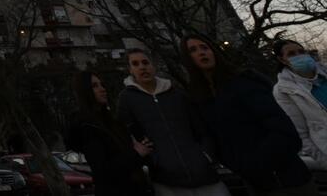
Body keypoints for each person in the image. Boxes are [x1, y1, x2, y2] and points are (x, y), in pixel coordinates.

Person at [182, 33, 314, 196]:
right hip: (256, 183)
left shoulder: (245, 82)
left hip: (288, 179)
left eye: (205, 47)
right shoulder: (201, 99)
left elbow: (283, 128)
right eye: (193, 50)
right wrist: (239, 166)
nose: (202, 52)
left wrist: (260, 162)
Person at [115, 47, 230, 196]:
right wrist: (151, 159)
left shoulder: (177, 94)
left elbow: (201, 128)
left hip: (205, 177)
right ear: (130, 70)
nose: (142, 67)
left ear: (153, 65)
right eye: (135, 64)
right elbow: (125, 132)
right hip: (167, 182)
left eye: (145, 62)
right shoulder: (126, 99)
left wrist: (206, 155)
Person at [67, 70, 152, 196]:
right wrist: (136, 153)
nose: (102, 89)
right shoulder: (87, 128)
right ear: (85, 92)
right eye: (95, 86)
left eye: (101, 85)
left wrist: (142, 150)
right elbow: (104, 171)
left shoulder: (111, 122)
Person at [272, 39, 327, 169]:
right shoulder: (283, 90)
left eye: (301, 51)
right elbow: (301, 134)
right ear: (282, 60)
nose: (299, 56)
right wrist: (324, 161)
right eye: (291, 54)